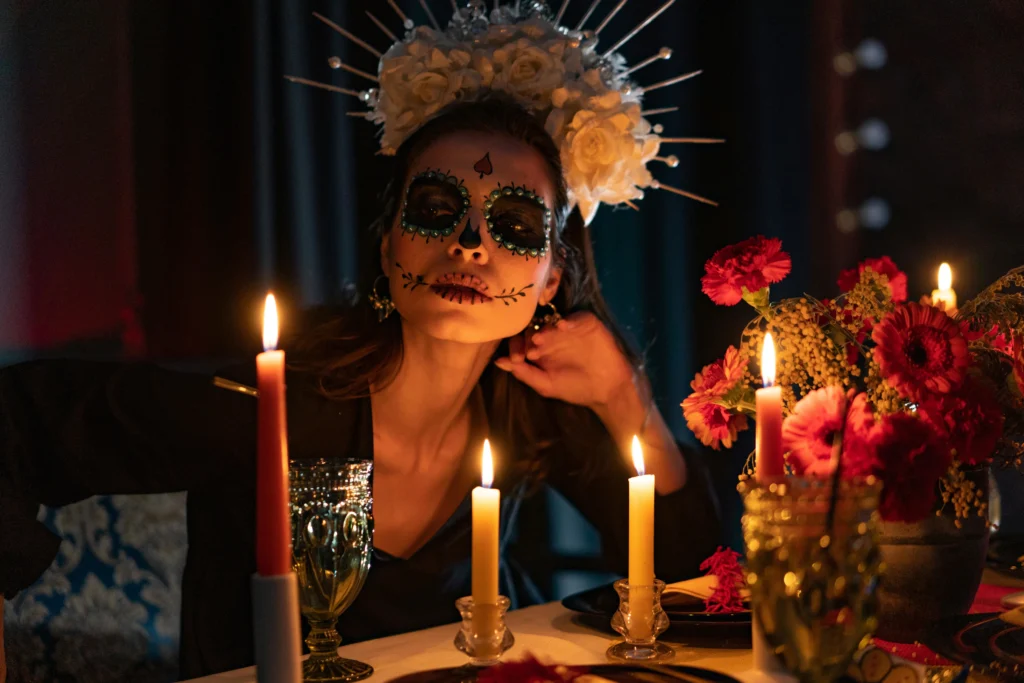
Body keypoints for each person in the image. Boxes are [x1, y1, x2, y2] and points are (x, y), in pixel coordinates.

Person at [1, 5, 722, 679]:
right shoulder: (274, 406)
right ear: (387, 247)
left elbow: (696, 577)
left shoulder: (527, 407)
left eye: (513, 225)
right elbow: (21, 417)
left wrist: (629, 402)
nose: (471, 245)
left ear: (551, 278)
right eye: (437, 210)